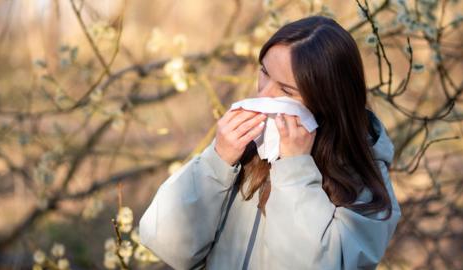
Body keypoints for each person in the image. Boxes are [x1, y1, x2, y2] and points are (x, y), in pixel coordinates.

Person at [139, 15, 401, 270]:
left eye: (286, 90)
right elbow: (165, 242)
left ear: (327, 100)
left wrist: (296, 169)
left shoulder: (364, 186)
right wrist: (216, 161)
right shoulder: (249, 147)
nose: (264, 94)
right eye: (264, 72)